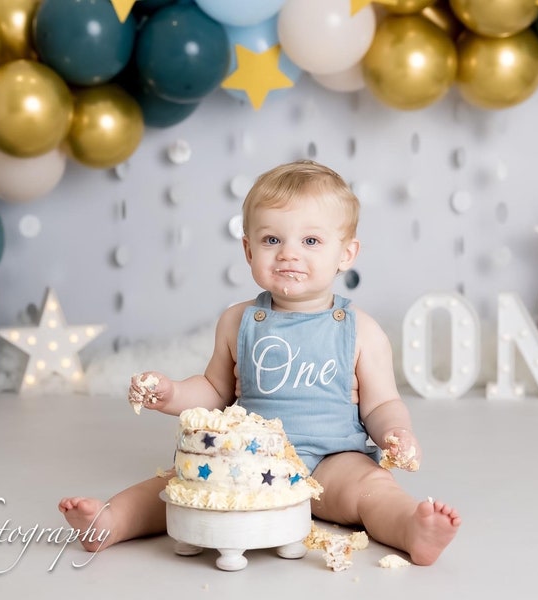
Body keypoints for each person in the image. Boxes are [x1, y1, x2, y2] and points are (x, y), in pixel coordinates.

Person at [59, 160, 461, 566]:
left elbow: (379, 404)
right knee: (175, 487)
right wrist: (171, 393)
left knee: (373, 489)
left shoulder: (361, 330)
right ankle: (111, 522)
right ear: (248, 249)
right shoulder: (239, 321)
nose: (288, 253)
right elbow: (216, 391)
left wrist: (396, 433)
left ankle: (412, 529)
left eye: (310, 241)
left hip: (333, 462)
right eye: (271, 240)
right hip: (250, 458)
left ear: (346, 253)